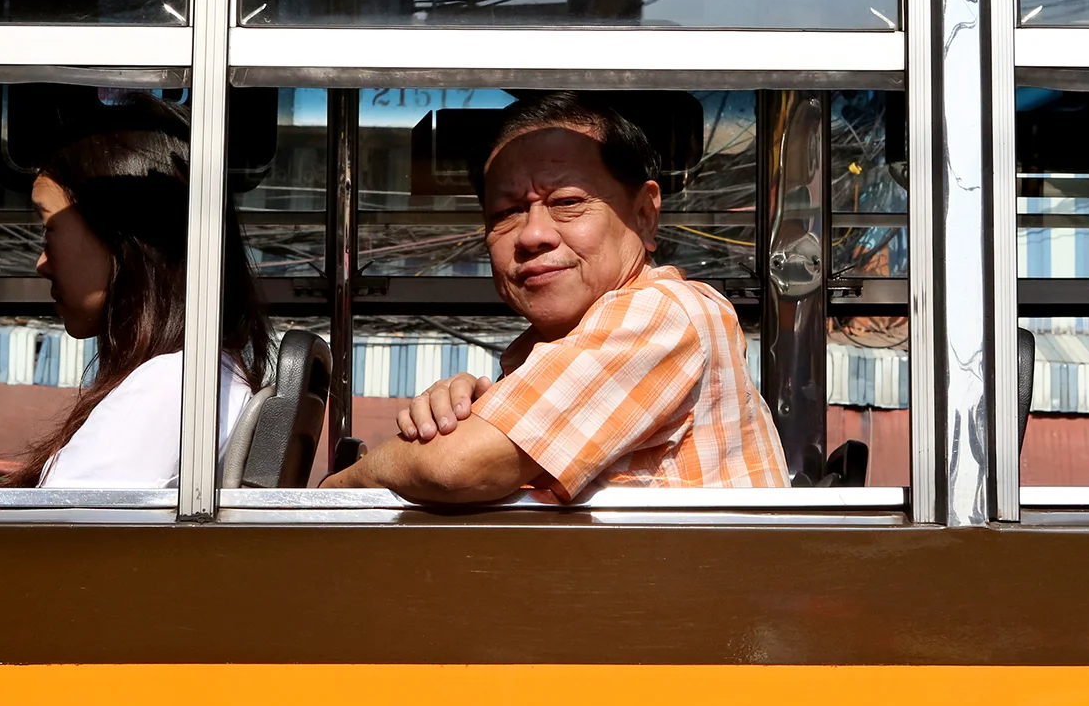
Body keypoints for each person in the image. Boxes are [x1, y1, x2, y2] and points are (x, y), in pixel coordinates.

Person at [322, 93, 788, 503]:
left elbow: (457, 467)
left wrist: (345, 484)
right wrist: (452, 419)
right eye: (506, 213)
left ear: (645, 215)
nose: (533, 235)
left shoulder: (664, 312)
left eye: (567, 202)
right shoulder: (543, 354)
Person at [3, 95, 271, 488]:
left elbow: (48, 540)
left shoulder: (168, 387)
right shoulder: (202, 374)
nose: (41, 263)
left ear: (122, 241)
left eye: (50, 229)